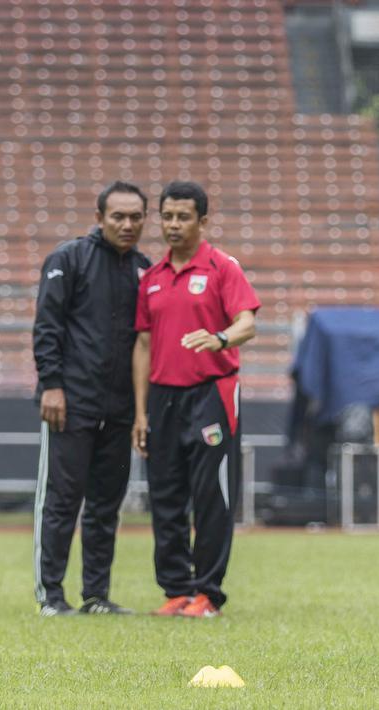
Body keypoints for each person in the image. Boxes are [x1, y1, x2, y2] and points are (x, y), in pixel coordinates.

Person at [132, 180, 260, 618]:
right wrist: (139, 412)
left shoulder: (223, 268)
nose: (173, 224)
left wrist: (220, 337)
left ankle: (207, 593)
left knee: (211, 497)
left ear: (202, 221)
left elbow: (247, 323)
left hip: (212, 396)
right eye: (167, 216)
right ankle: (176, 590)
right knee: (165, 497)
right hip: (163, 400)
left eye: (183, 216)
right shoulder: (151, 278)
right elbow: (143, 346)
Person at [32, 180, 152, 616]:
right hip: (71, 405)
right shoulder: (68, 259)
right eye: (118, 216)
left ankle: (96, 596)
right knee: (61, 501)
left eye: (135, 217)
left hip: (119, 410)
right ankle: (51, 594)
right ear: (99, 218)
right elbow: (48, 327)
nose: (127, 224)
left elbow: (146, 343)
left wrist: (141, 409)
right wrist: (52, 385)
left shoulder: (144, 269)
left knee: (105, 506)